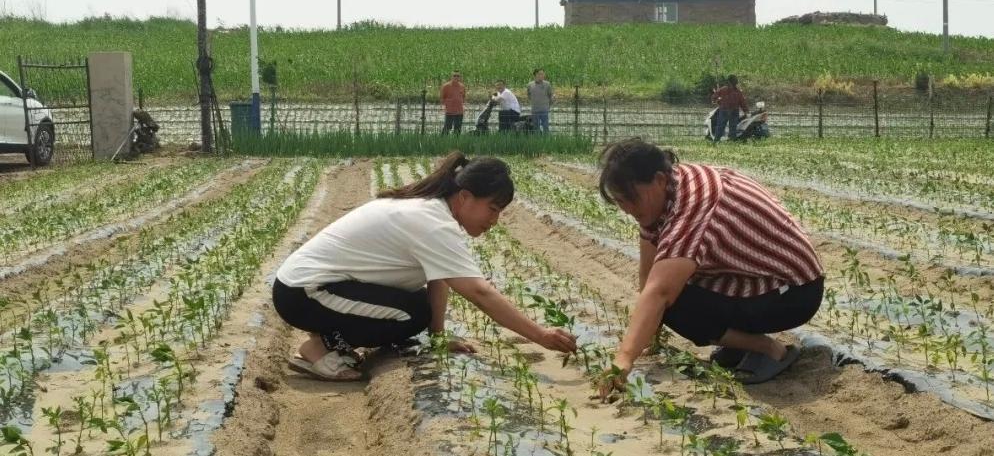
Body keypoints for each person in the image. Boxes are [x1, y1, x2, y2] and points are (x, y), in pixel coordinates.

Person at [272, 152, 578, 381]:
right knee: (412, 315)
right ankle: (319, 348)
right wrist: (540, 335)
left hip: (316, 288)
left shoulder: (433, 212)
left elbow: (439, 278)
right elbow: (479, 292)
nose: (494, 221)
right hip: (304, 292)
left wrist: (438, 338)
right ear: (465, 197)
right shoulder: (432, 222)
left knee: (419, 308)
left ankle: (332, 341)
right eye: (493, 209)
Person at [596, 139, 824, 397]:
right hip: (755, 279)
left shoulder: (694, 204)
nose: (627, 209)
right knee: (669, 290)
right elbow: (648, 274)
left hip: (793, 292)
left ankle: (770, 350)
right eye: (620, 201)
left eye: (631, 199)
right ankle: (740, 344)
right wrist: (649, 335)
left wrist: (624, 359)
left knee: (673, 303)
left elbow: (659, 292)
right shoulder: (664, 194)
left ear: (658, 179)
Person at [710, 75, 749, 142]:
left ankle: (716, 141)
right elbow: (742, 103)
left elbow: (714, 97)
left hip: (724, 110)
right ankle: (732, 141)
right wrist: (746, 111)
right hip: (734, 111)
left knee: (720, 126)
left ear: (728, 82)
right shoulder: (738, 92)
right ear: (736, 83)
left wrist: (717, 100)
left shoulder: (723, 89)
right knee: (733, 127)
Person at [526, 69, 553, 133]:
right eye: (540, 74)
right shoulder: (530, 85)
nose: (542, 75)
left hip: (544, 109)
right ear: (536, 75)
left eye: (543, 74)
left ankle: (546, 138)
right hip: (534, 110)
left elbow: (550, 95)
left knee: (545, 126)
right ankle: (537, 138)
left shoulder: (547, 84)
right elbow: (529, 95)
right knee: (536, 127)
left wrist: (548, 106)